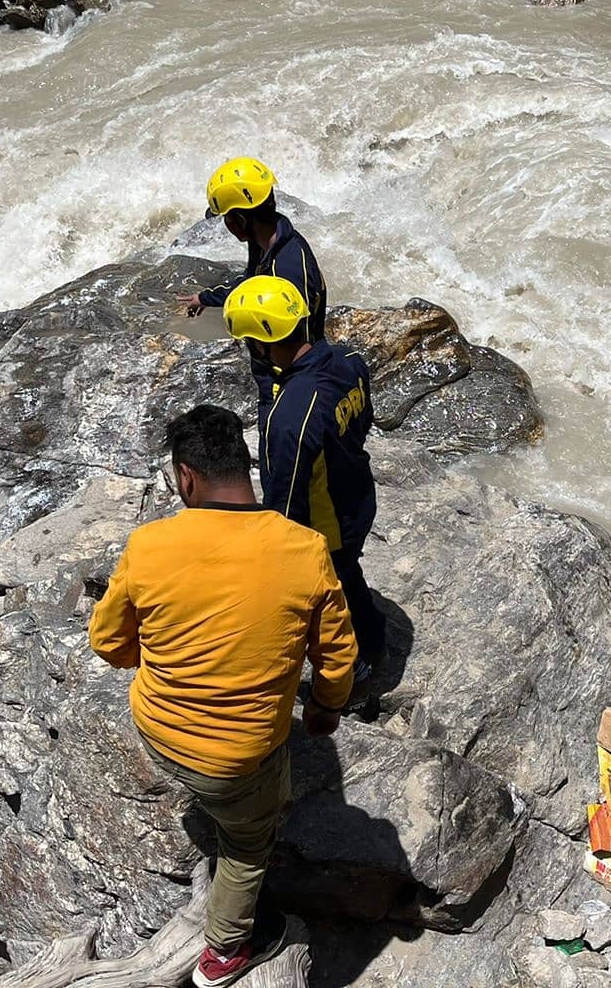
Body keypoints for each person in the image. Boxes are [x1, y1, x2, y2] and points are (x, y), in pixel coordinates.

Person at [88, 404, 357, 988]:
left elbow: (108, 642)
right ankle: (224, 954)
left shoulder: (149, 544)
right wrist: (325, 708)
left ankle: (217, 814)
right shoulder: (304, 548)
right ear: (244, 465)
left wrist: (163, 656)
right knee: (247, 847)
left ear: (185, 477)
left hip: (158, 731)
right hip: (238, 755)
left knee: (237, 793)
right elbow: (337, 658)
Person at [221, 275, 386, 696]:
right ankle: (372, 634)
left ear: (260, 342)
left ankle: (353, 665)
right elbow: (363, 423)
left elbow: (284, 503)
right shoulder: (349, 358)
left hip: (325, 520)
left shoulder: (290, 416)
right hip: (357, 493)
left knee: (330, 586)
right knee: (348, 574)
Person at [177, 157, 327, 355]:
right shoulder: (266, 239)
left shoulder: (287, 269)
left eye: (227, 219)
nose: (226, 225)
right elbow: (251, 284)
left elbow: (301, 345)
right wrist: (205, 298)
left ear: (239, 220)